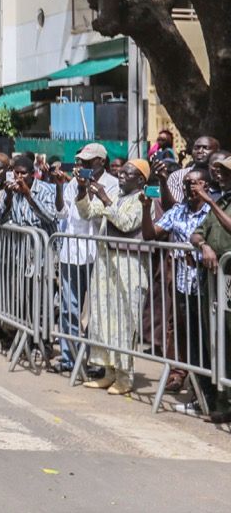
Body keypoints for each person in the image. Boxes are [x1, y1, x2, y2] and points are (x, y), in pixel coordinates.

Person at [78, 159, 149, 395]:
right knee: (103, 320)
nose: (121, 176)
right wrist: (82, 189)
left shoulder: (142, 201)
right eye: (120, 172)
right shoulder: (117, 196)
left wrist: (106, 200)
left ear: (140, 180)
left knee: (123, 324)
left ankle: (124, 376)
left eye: (127, 174)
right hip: (106, 268)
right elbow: (89, 212)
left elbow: (127, 223)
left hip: (128, 270)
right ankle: (108, 372)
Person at [48, 142, 119, 375]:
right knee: (69, 308)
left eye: (87, 162)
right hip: (71, 251)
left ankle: (95, 360)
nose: (81, 166)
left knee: (96, 311)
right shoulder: (72, 182)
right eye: (80, 162)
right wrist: (60, 187)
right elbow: (61, 212)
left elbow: (104, 214)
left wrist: (92, 190)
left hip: (97, 254)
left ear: (100, 161)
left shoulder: (112, 184)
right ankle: (70, 358)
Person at [143, 166, 211, 404]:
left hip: (207, 288)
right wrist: (145, 208)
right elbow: (151, 234)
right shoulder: (179, 210)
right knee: (187, 339)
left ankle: (209, 396)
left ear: (206, 186)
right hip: (182, 285)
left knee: (206, 341)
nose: (188, 187)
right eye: (186, 184)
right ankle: (197, 392)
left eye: (194, 183)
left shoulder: (212, 210)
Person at [187, 152, 231, 424]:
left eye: (226, 171)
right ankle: (223, 400)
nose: (220, 175)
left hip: (229, 279)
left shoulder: (217, 203)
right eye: (219, 171)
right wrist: (203, 245)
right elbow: (196, 232)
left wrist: (209, 203)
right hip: (213, 281)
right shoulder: (221, 200)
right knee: (218, 340)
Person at [164, 136, 219, 211]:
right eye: (196, 148)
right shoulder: (177, 176)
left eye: (206, 148)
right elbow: (173, 208)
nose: (200, 151)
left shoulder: (222, 177)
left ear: (216, 152)